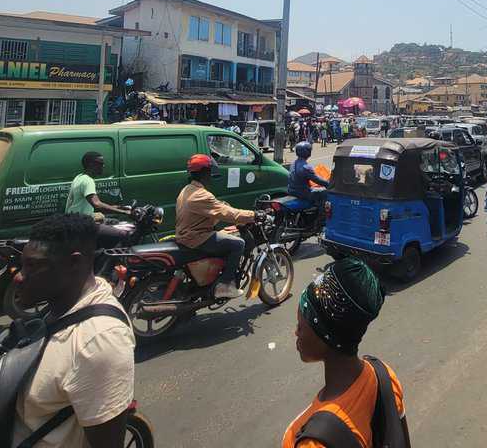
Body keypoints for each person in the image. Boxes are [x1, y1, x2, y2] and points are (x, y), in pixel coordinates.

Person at [12, 214, 135, 448]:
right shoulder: (58, 308)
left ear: (74, 263)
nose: (19, 277)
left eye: (33, 266)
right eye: (22, 264)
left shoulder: (98, 341)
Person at [283, 258, 409, 448]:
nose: (296, 333)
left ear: (325, 335)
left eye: (301, 326)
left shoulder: (314, 442)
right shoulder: (384, 375)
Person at [175, 154, 260, 299]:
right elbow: (228, 213)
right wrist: (254, 214)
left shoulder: (188, 189)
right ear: (204, 173)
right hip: (196, 238)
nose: (210, 176)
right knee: (238, 244)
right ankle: (225, 285)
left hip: (187, 234)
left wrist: (224, 208)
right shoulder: (201, 195)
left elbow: (218, 208)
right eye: (209, 172)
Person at [65, 152, 131, 220]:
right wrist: (125, 212)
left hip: (74, 218)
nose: (103, 166)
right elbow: (97, 204)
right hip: (81, 222)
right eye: (100, 163)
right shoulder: (88, 181)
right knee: (119, 230)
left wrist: (119, 207)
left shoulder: (79, 177)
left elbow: (94, 205)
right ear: (91, 164)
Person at [288, 142, 331, 209]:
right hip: (303, 192)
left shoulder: (293, 163)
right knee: (324, 192)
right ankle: (321, 215)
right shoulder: (305, 167)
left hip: (291, 190)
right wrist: (329, 184)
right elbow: (318, 180)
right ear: (307, 152)